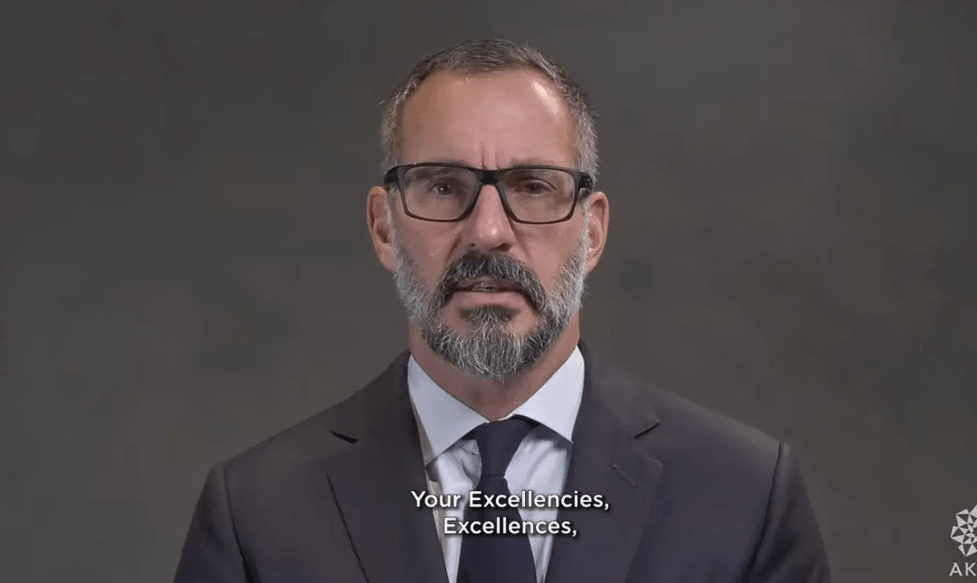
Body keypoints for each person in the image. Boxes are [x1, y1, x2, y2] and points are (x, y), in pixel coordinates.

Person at [174, 38, 831, 583]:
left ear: (593, 231)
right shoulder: (256, 514)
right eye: (443, 185)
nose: (488, 231)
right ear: (383, 227)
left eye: (534, 187)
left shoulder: (746, 497)